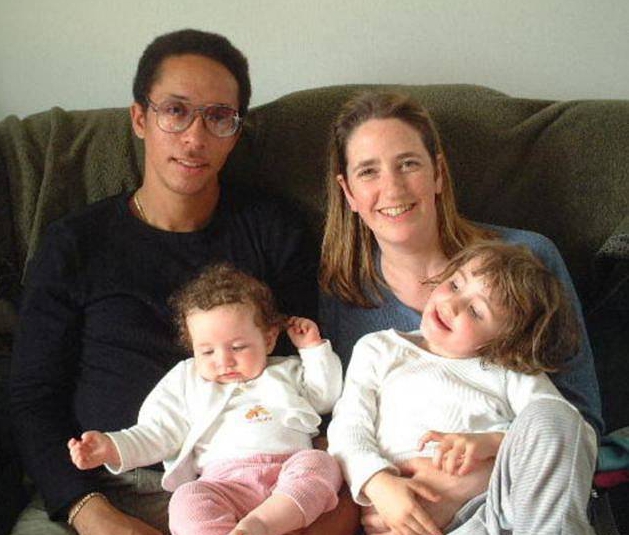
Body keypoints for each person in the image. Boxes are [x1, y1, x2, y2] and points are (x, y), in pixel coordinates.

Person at [10, 29, 319, 535]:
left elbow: (306, 370)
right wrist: (92, 513)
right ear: (139, 118)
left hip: (250, 487)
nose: (195, 138)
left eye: (219, 117)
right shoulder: (75, 242)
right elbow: (32, 396)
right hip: (102, 490)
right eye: (175, 111)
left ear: (236, 131)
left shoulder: (274, 230)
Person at [318, 91, 602, 533]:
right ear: (348, 192)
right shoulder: (347, 295)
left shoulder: (527, 260)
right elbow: (345, 428)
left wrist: (466, 479)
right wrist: (380, 488)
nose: (391, 188)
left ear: (438, 173)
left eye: (409, 163)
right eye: (368, 171)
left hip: (508, 501)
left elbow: (574, 424)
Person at [327, 241, 598, 535]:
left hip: (496, 511)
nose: (452, 305)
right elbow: (347, 426)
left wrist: (493, 443)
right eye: (455, 284)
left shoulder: (508, 370)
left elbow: (573, 435)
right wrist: (377, 483)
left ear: (504, 341)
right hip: (406, 521)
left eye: (476, 312)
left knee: (553, 412)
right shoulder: (379, 348)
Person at [68, 264, 343, 535]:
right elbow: (159, 432)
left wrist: (313, 350)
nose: (224, 361)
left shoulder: (287, 370)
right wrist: (111, 446)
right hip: (223, 485)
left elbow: (325, 397)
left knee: (322, 464)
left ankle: (262, 524)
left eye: (238, 347)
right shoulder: (187, 380)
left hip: (288, 476)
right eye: (207, 352)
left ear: (269, 339)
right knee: (186, 499)